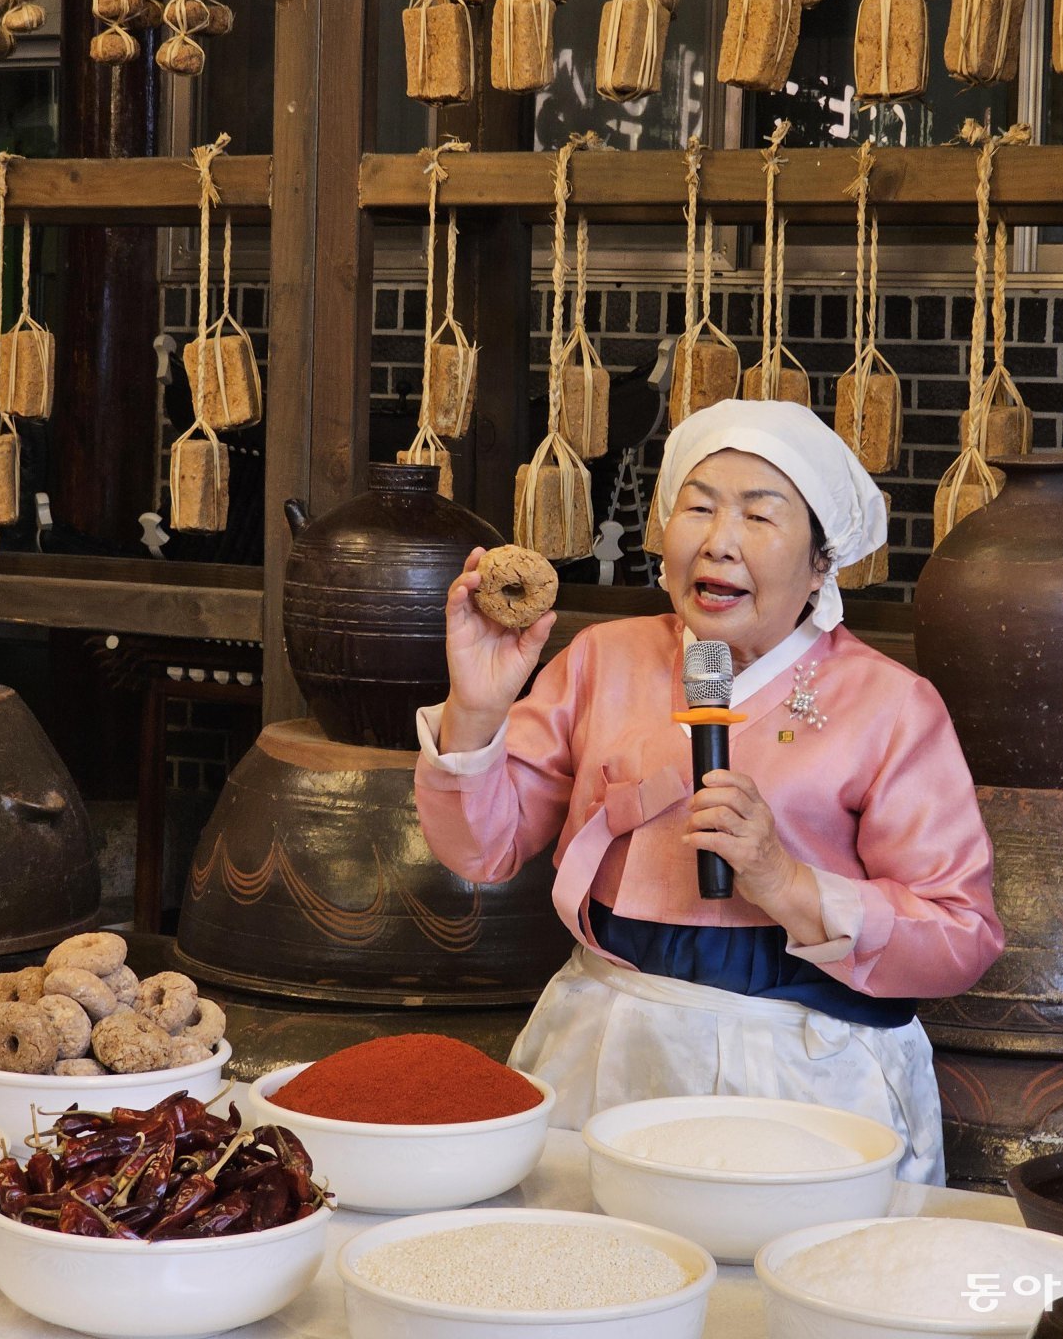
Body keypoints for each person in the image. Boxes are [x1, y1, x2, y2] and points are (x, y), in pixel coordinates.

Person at [414, 400, 1004, 1184]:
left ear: (823, 562)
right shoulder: (603, 659)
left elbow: (961, 937)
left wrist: (787, 882)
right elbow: (479, 850)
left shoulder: (890, 704)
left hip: (802, 1076)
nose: (719, 541)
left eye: (761, 517)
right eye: (697, 507)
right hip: (604, 1048)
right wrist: (479, 707)